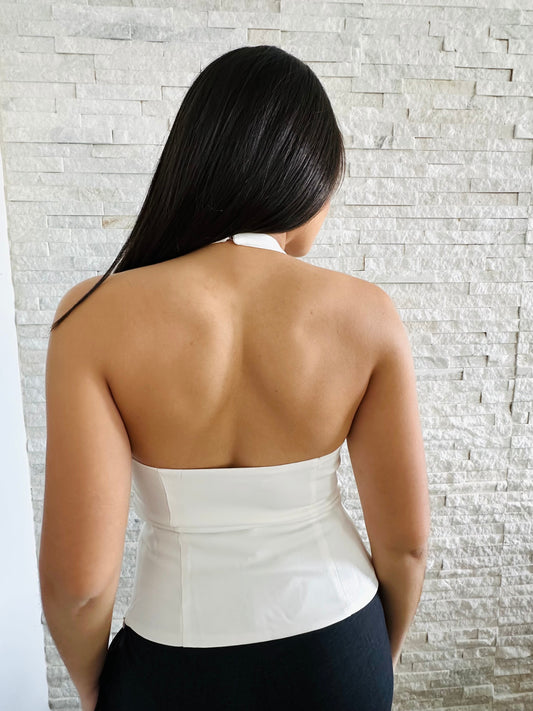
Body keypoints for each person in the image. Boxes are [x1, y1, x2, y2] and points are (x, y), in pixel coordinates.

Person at [38, 45, 430, 711]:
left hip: (171, 660)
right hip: (338, 645)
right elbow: (406, 548)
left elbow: (79, 586)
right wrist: (371, 660)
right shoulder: (368, 316)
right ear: (305, 181)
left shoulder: (91, 317)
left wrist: (94, 690)